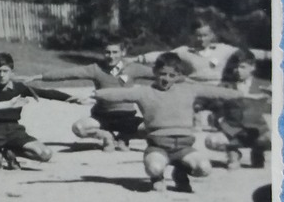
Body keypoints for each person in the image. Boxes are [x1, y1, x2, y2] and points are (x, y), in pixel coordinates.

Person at [94, 52, 248, 192]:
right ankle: (157, 177)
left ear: (178, 75)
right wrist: (94, 95)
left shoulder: (189, 89)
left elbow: (217, 92)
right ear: (154, 72)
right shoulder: (144, 92)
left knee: (204, 169)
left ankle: (180, 172)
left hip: (184, 147)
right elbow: (118, 94)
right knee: (154, 168)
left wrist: (245, 96)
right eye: (162, 74)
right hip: (158, 147)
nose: (166, 79)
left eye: (171, 75)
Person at [26, 40, 153, 150]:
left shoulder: (134, 68)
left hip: (127, 117)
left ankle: (124, 136)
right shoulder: (96, 69)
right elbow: (71, 73)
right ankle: (106, 136)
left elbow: (159, 74)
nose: (111, 56)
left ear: (123, 52)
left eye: (115, 52)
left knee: (154, 128)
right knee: (79, 128)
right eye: (107, 52)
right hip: (102, 117)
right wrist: (41, 77)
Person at [202, 48, 273, 169]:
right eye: (235, 67)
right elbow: (215, 106)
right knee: (211, 141)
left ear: (252, 67)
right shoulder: (226, 86)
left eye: (242, 67)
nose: (238, 71)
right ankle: (233, 152)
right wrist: (218, 119)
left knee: (275, 138)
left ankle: (257, 151)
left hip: (257, 130)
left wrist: (272, 97)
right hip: (233, 131)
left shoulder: (264, 85)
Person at [135, 21, 269, 83]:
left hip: (219, 87)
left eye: (205, 35)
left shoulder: (223, 49)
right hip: (194, 88)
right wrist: (137, 59)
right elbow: (161, 56)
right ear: (192, 36)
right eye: (198, 35)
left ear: (212, 35)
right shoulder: (184, 52)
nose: (201, 39)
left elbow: (250, 53)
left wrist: (275, 55)